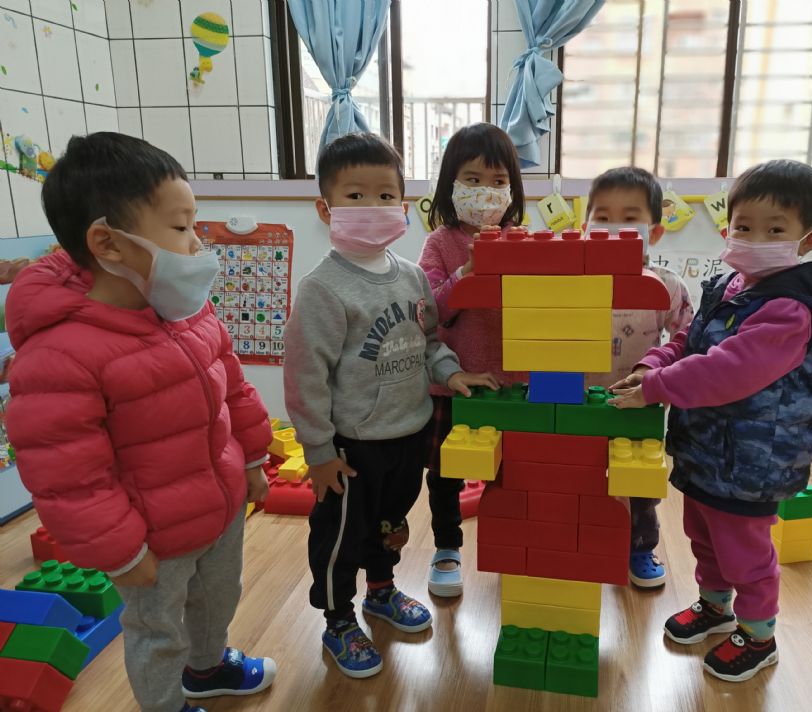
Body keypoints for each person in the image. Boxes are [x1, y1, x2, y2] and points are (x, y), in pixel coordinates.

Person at [6, 132, 276, 712]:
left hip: (220, 506)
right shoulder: (61, 354)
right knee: (158, 632)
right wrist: (122, 551)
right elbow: (69, 475)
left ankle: (208, 669)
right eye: (180, 227)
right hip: (153, 536)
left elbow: (233, 385)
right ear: (108, 243)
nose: (197, 242)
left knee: (216, 601)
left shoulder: (188, 310)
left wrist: (253, 459)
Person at [610, 159, 812, 682]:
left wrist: (657, 387)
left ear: (809, 240)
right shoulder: (730, 287)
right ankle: (715, 606)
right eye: (744, 226)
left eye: (775, 230)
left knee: (744, 550)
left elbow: (729, 370)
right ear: (728, 228)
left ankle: (759, 635)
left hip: (753, 459)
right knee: (703, 534)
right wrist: (653, 363)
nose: (755, 239)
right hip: (709, 449)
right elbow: (692, 341)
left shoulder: (789, 309)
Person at [283, 132, 498, 679]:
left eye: (385, 195)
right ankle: (338, 618)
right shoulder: (322, 288)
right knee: (340, 537)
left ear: (403, 204)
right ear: (325, 208)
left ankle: (381, 590)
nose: (373, 206)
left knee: (388, 523)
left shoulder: (410, 276)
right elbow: (305, 378)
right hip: (351, 446)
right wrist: (318, 451)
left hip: (409, 433)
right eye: (355, 195)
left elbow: (428, 343)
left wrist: (452, 372)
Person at [417, 122, 527, 598]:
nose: (486, 191)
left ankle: (512, 542)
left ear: (512, 188)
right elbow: (430, 311)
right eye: (473, 180)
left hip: (512, 383)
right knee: (445, 473)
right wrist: (466, 271)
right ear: (451, 185)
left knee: (513, 472)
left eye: (498, 181)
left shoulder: (521, 240)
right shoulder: (439, 243)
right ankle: (447, 548)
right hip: (454, 384)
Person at [584, 166, 694, 588]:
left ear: (655, 232)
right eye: (603, 217)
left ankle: (640, 547)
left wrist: (661, 378)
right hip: (579, 400)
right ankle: (586, 540)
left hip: (639, 403)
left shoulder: (667, 285)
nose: (614, 228)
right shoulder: (574, 280)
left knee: (639, 482)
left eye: (630, 219)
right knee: (582, 475)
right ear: (585, 225)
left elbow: (688, 337)